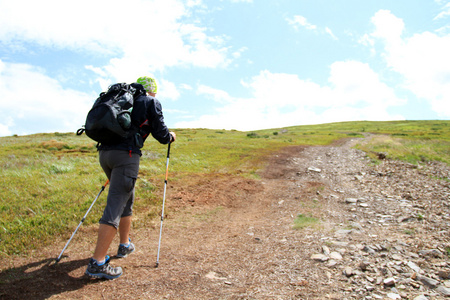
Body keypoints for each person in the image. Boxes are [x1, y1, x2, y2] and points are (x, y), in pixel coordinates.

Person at [85, 76, 176, 279]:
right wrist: (170, 136)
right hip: (126, 156)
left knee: (126, 198)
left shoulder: (123, 99)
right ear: (152, 90)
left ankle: (124, 245)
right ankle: (97, 263)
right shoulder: (150, 102)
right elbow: (161, 134)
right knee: (116, 204)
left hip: (105, 154)